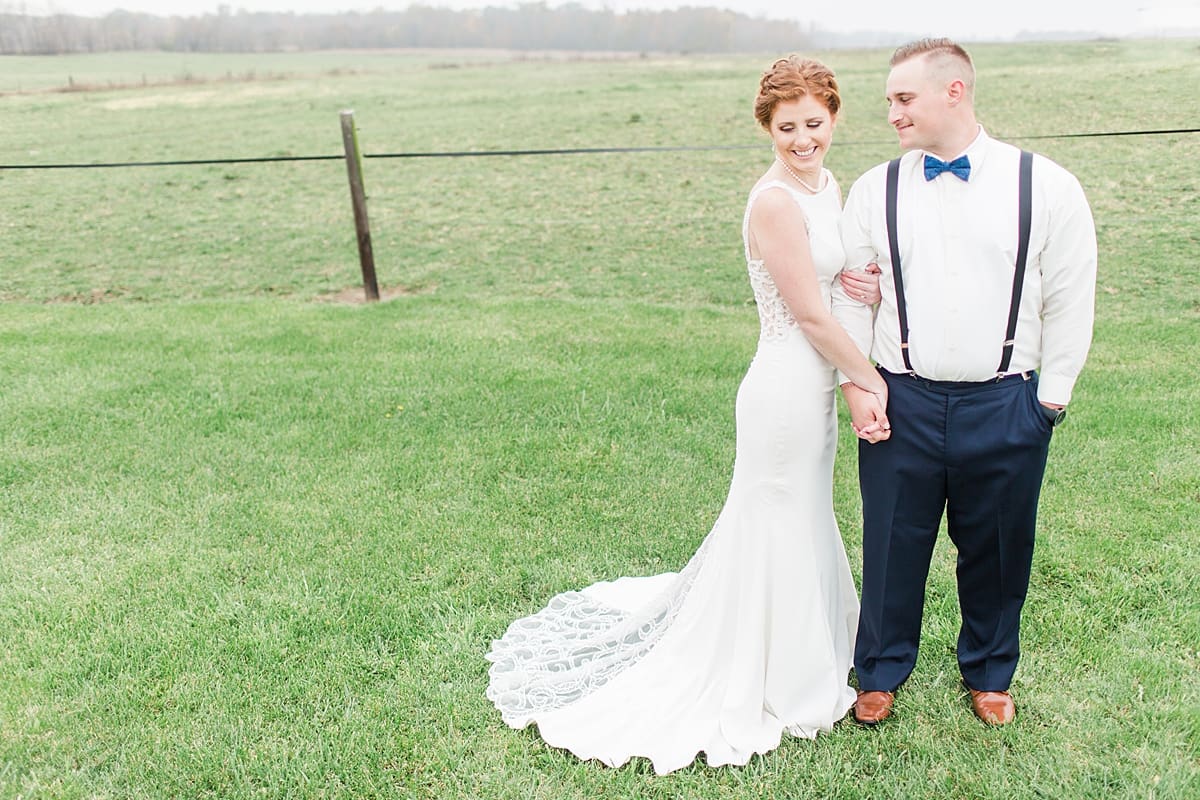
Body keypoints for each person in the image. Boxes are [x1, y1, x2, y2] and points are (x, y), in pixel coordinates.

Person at [486, 55, 887, 775]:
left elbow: (830, 280)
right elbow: (808, 316)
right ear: (766, 128)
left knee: (804, 515)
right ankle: (776, 676)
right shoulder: (774, 202)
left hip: (815, 390)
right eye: (787, 128)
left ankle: (809, 648)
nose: (803, 139)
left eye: (814, 123)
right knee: (777, 520)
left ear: (834, 117)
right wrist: (869, 378)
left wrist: (860, 282)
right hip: (784, 392)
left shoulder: (828, 185)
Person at [833, 38, 1097, 726]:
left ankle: (989, 673)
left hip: (1006, 400)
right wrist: (858, 384)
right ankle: (879, 671)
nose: (891, 113)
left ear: (954, 91)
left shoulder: (1045, 185)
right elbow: (851, 296)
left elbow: (1071, 296)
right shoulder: (875, 189)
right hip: (901, 397)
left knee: (999, 548)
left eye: (903, 98)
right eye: (889, 100)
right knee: (891, 543)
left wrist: (1049, 399)